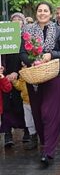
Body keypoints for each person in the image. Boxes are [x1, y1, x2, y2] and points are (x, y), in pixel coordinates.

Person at [20, 1, 60, 167]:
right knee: (37, 114)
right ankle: (44, 144)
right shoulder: (27, 31)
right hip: (34, 78)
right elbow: (22, 53)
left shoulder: (59, 31)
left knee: (49, 114)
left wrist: (51, 55)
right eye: (39, 11)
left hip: (54, 78)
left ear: (51, 14)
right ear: (36, 13)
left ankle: (48, 152)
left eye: (45, 11)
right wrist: (33, 61)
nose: (42, 13)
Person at [1, 12, 29, 147]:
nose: (17, 22)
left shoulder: (25, 39)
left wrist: (17, 73)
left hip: (20, 76)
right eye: (14, 20)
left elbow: (27, 58)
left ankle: (27, 131)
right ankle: (7, 134)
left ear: (23, 23)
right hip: (4, 76)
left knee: (21, 105)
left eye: (19, 20)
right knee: (6, 106)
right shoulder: (3, 38)